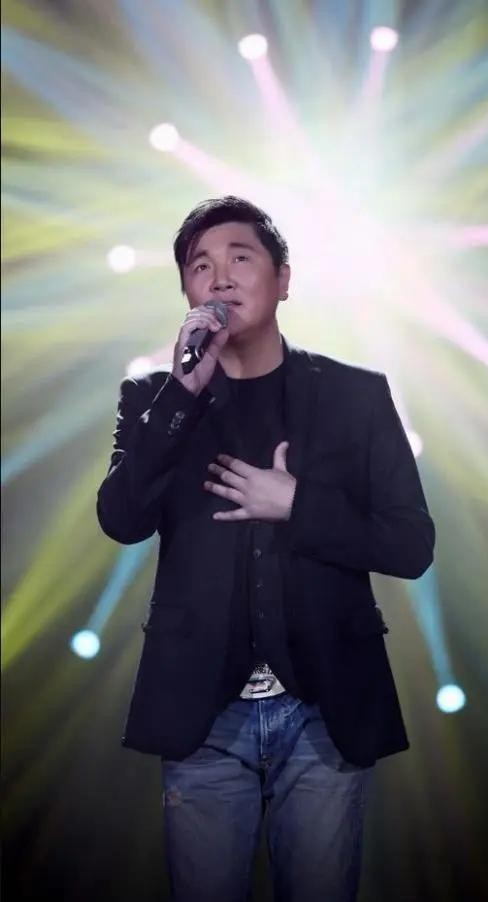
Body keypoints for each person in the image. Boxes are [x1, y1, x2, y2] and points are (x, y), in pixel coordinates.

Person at [96, 196, 435, 902]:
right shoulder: (154, 400)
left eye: (240, 258)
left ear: (283, 279)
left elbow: (411, 544)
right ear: (187, 292)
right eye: (200, 266)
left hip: (324, 712)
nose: (219, 277)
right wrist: (182, 394)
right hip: (203, 714)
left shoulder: (355, 396)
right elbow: (121, 519)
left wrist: (297, 504)